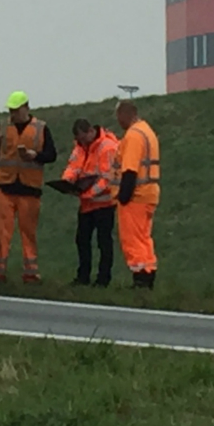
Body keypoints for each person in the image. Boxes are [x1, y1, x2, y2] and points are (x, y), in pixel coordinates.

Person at [0, 91, 57, 284]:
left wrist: (36, 155)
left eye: (15, 110)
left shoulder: (41, 128)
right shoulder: (2, 126)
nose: (13, 114)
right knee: (0, 233)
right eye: (11, 110)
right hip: (4, 187)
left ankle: (31, 273)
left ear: (26, 108)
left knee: (28, 234)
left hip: (29, 189)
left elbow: (52, 155)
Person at [58, 117, 120, 286]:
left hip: (104, 203)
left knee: (104, 242)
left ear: (91, 131)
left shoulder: (107, 147)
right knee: (82, 240)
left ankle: (103, 279)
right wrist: (67, 182)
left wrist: (89, 194)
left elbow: (107, 178)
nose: (81, 143)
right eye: (79, 140)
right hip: (87, 204)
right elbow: (73, 167)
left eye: (83, 139)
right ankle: (83, 277)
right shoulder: (80, 147)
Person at [114, 100, 161, 289]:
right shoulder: (147, 131)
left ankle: (140, 278)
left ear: (126, 114)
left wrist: (123, 196)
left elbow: (130, 170)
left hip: (136, 196)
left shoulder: (133, 135)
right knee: (144, 238)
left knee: (132, 240)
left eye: (118, 116)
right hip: (150, 194)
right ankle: (149, 274)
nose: (118, 121)